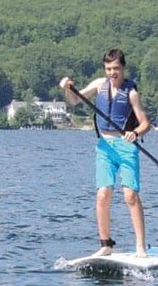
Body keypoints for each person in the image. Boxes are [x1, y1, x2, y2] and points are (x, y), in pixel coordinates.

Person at [60, 48, 151, 257]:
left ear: (123, 68)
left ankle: (140, 246)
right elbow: (74, 101)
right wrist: (68, 88)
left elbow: (145, 123)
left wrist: (135, 133)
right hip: (104, 146)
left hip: (126, 147)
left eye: (116, 68)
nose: (112, 73)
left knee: (130, 196)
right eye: (108, 68)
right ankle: (106, 244)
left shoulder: (131, 92)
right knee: (102, 195)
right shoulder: (98, 85)